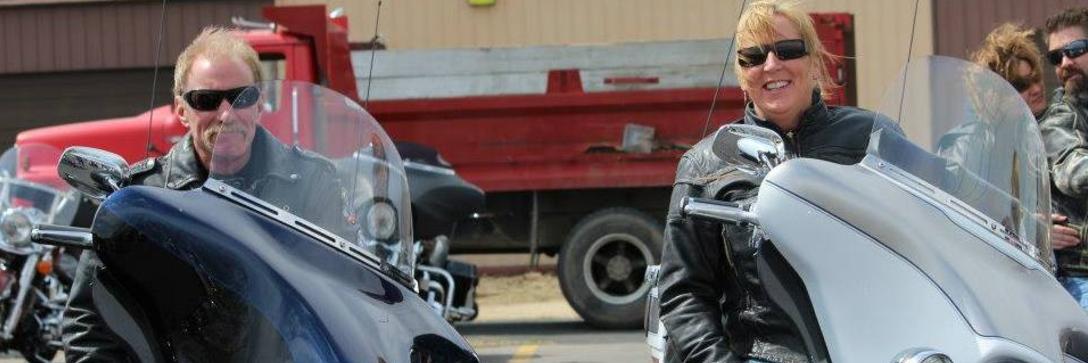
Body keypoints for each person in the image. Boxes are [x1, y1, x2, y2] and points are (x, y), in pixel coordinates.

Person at [61, 27, 347, 361]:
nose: (226, 114)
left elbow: (343, 300)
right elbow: (89, 321)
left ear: (260, 104)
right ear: (181, 110)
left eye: (242, 97)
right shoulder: (143, 198)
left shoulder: (311, 182)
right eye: (206, 100)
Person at [656, 1, 901, 362]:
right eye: (753, 57)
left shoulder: (874, 138)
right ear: (742, 74)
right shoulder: (704, 166)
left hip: (874, 349)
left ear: (814, 60)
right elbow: (683, 293)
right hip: (765, 355)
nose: (772, 65)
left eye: (788, 50)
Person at [1039, 6, 1088, 310]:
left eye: (1075, 50)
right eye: (1057, 57)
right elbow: (1075, 172)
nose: (1065, 63)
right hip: (1079, 276)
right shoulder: (1059, 117)